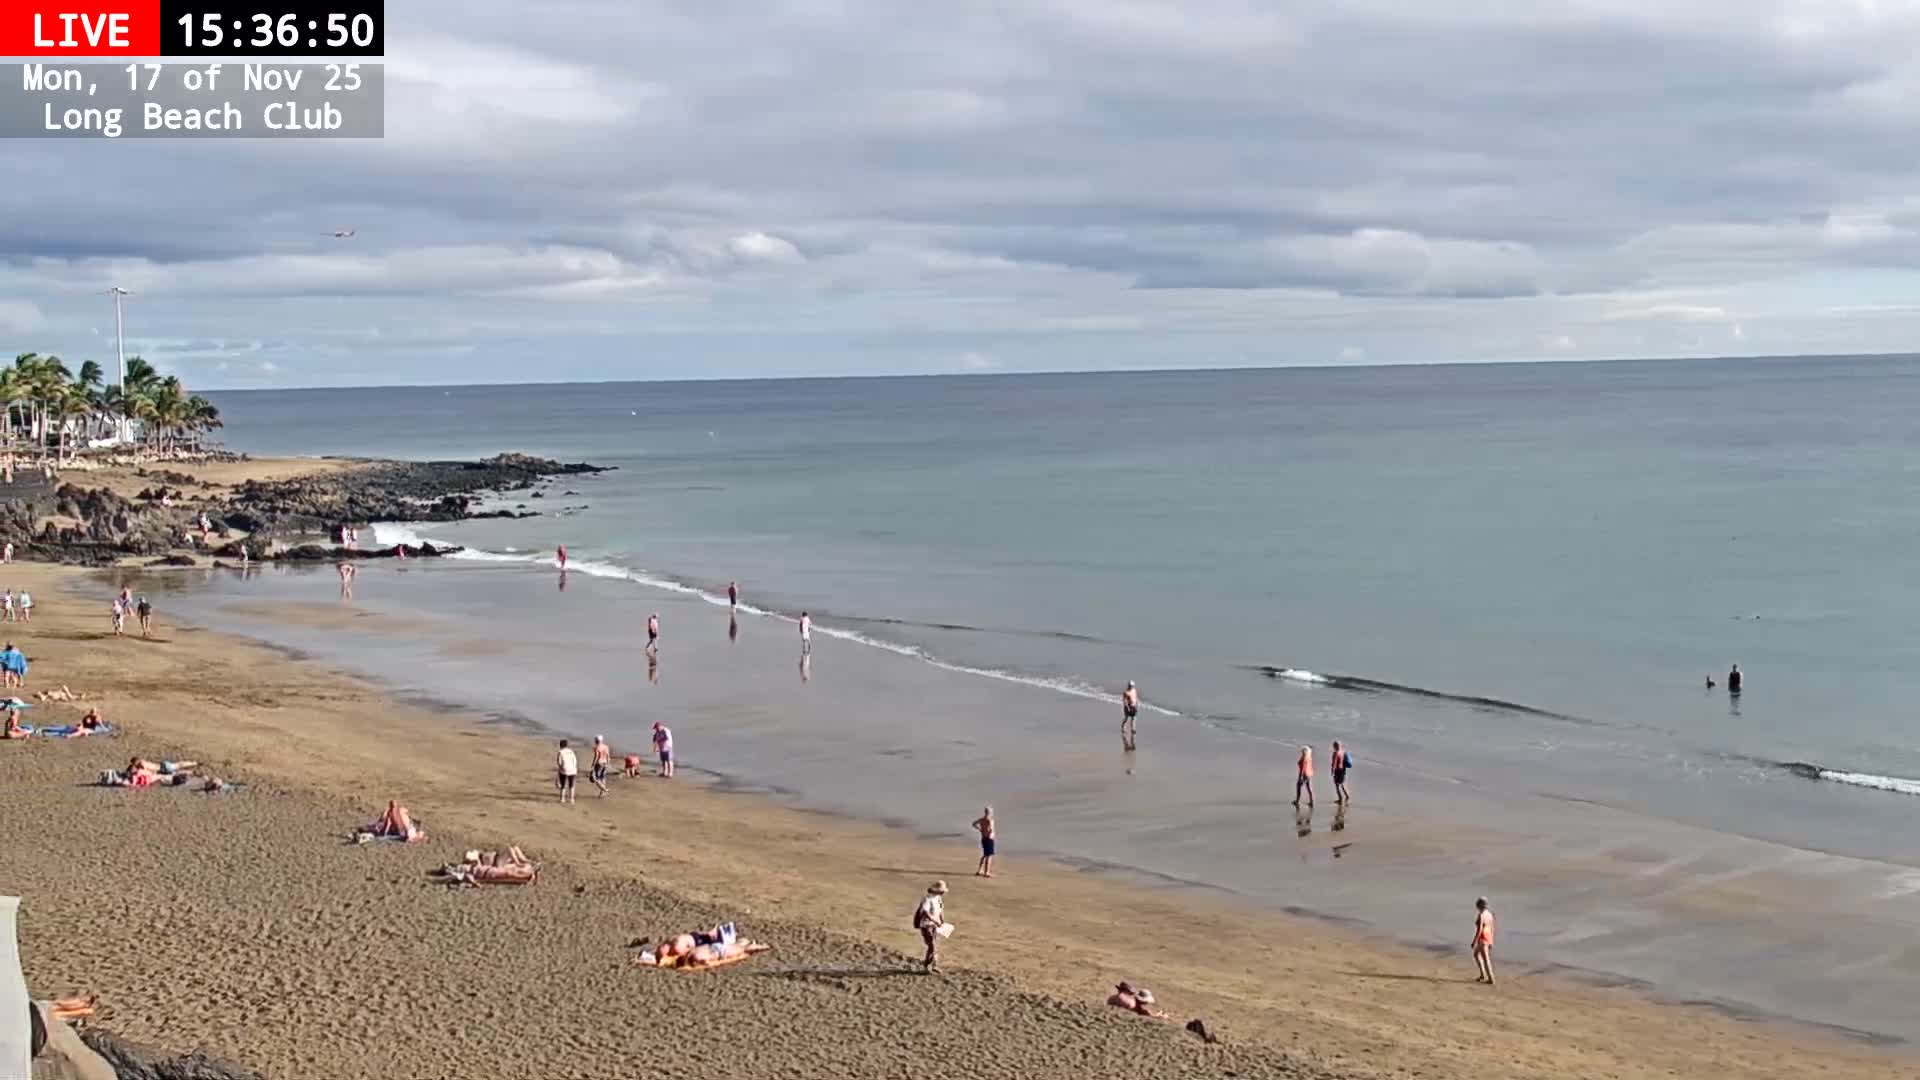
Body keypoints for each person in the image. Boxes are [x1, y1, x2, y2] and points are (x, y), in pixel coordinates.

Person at [913, 880, 949, 973]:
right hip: (926, 925)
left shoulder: (938, 899)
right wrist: (935, 920)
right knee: (932, 945)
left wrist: (942, 921)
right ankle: (928, 965)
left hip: (934, 925)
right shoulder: (927, 899)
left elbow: (940, 911)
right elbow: (925, 912)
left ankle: (931, 965)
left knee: (934, 946)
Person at [1472, 897, 1497, 984]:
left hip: (1482, 938)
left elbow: (1479, 930)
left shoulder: (1481, 915)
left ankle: (1491, 978)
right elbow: (1492, 928)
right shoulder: (1490, 914)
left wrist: (1474, 941)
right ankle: (1483, 974)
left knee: (1486, 959)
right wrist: (1492, 941)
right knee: (1476, 954)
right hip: (1488, 937)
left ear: (1479, 905)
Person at [972, 806, 997, 878]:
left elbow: (973, 824)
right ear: (990, 812)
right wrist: (991, 835)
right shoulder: (990, 820)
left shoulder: (981, 819)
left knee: (984, 855)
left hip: (983, 838)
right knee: (989, 856)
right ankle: (987, 872)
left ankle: (979, 870)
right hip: (989, 839)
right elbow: (991, 829)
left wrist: (980, 829)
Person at [555, 738, 578, 804]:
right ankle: (572, 799)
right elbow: (575, 761)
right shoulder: (571, 751)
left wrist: (561, 769)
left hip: (564, 770)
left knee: (563, 785)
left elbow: (559, 763)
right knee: (572, 785)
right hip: (573, 770)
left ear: (560, 745)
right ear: (567, 745)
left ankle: (562, 799)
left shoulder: (560, 752)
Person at [1330, 740, 1351, 804]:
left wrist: (1332, 771)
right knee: (1343, 784)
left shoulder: (1336, 753)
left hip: (1338, 771)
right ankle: (1347, 796)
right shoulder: (1343, 751)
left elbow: (1334, 763)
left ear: (1335, 746)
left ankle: (1340, 799)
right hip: (1343, 770)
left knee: (1337, 786)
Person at [1120, 681, 1139, 750]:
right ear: (1128, 685)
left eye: (1132, 685)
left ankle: (1133, 729)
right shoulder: (1126, 692)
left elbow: (1136, 698)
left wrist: (1137, 705)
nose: (1132, 686)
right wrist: (1127, 707)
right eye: (1131, 686)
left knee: (1134, 719)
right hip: (1128, 707)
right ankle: (1122, 727)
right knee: (1126, 718)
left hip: (1134, 707)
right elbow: (1124, 701)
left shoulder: (1134, 690)